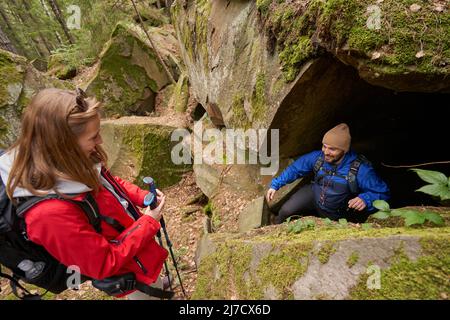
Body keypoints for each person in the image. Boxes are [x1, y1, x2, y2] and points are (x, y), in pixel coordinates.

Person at [0, 88, 169, 299]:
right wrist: (149, 223)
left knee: (154, 283)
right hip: (128, 271)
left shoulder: (68, 161)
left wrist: (141, 196)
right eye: (93, 136)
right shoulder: (48, 215)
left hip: (135, 247)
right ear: (64, 145)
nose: (99, 141)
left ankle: (156, 284)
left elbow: (106, 182)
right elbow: (103, 263)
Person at [266, 123, 390, 224]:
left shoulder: (361, 170)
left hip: (337, 209)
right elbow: (295, 169)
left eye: (332, 149)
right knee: (286, 211)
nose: (326, 152)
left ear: (344, 150)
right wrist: (276, 184)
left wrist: (365, 199)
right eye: (324, 146)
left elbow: (383, 193)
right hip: (314, 193)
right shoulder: (318, 157)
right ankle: (275, 225)